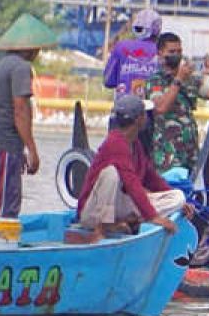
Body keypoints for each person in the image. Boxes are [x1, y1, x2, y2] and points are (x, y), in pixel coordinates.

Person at [0, 13, 58, 218]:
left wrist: (19, 148)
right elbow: (19, 110)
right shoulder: (21, 67)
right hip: (3, 144)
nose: (38, 52)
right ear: (29, 47)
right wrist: (32, 150)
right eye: (36, 48)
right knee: (3, 211)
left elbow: (3, 108)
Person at [76, 94, 186, 238]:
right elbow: (131, 182)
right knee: (111, 173)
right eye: (144, 114)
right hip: (92, 213)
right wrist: (153, 217)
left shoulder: (135, 144)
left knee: (178, 197)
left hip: (117, 207)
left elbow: (152, 178)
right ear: (139, 119)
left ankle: (125, 221)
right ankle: (103, 228)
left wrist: (180, 203)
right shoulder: (115, 142)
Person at [144, 32, 209, 175]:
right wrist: (178, 79)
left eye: (179, 51)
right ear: (160, 53)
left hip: (190, 151)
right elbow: (161, 108)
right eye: (171, 51)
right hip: (167, 153)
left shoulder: (191, 79)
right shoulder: (155, 81)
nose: (176, 55)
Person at [102, 8, 161, 97]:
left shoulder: (121, 46)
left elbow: (108, 81)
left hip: (123, 106)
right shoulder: (162, 50)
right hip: (154, 106)